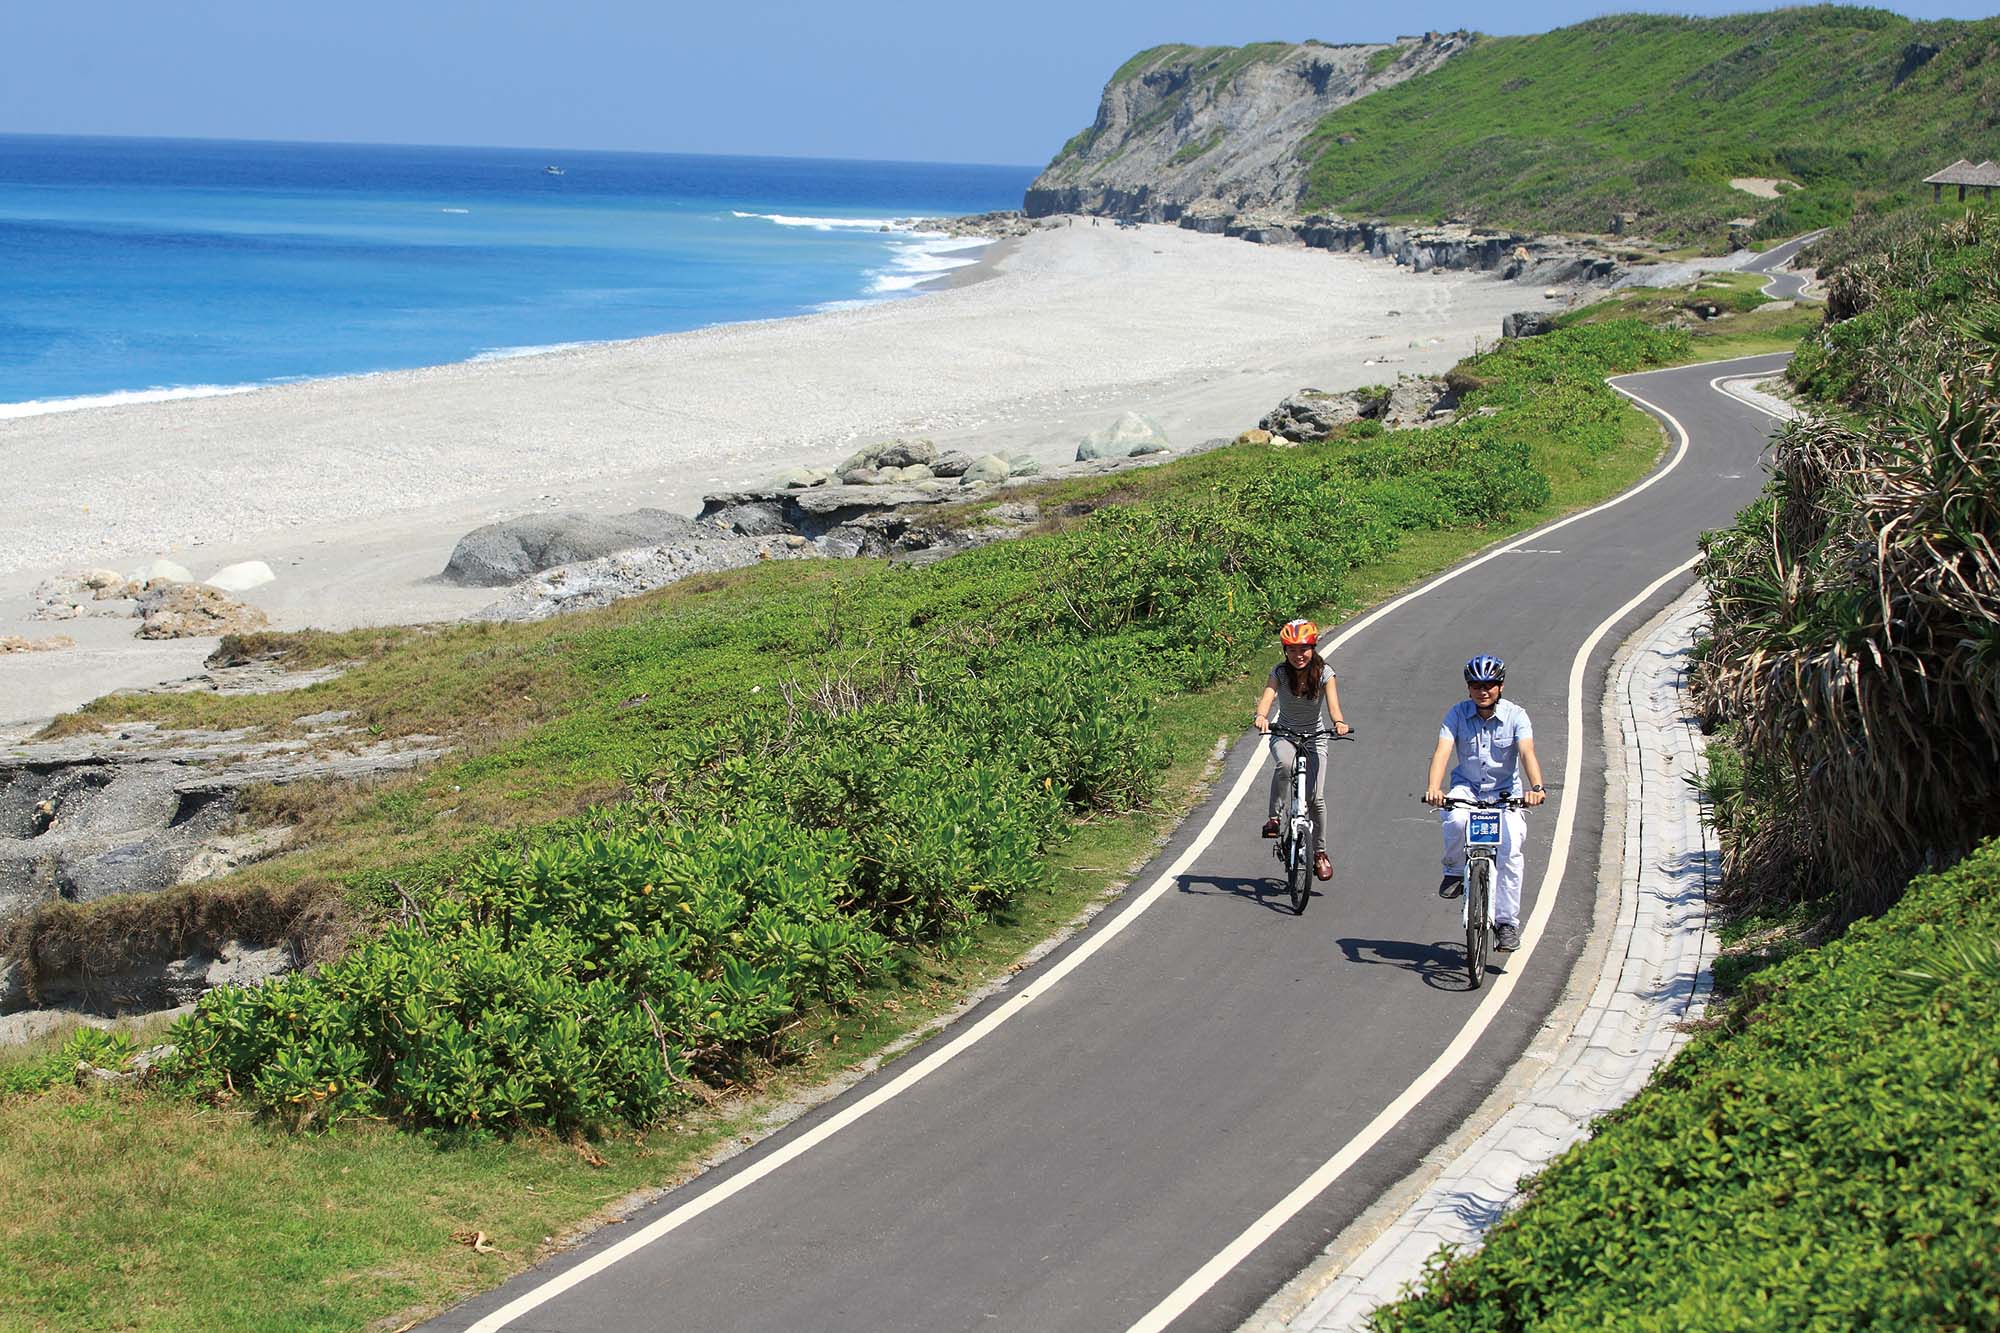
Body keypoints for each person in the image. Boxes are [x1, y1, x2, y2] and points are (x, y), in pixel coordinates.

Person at [1422, 654, 1546, 951]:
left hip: (1506, 794)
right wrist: (1433, 788)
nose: (1483, 691)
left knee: (1511, 848)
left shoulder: (1517, 715)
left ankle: (1507, 923)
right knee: (1454, 819)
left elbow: (1527, 752)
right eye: (1476, 685)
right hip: (1468, 789)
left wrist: (1536, 788)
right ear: (1469, 688)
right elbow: (1442, 751)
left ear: (1500, 686)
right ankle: (1453, 871)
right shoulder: (1456, 714)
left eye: (1490, 685)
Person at [1254, 618, 1351, 881]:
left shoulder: (1325, 673)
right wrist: (1262, 716)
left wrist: (1339, 723)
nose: (1299, 655)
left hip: (1315, 738)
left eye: (1304, 649)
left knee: (1316, 800)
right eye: (1293, 649)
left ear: (1314, 648)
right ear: (1285, 651)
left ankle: (1320, 853)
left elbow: (1333, 707)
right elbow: (1267, 697)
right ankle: (1274, 818)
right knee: (1284, 765)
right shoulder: (1280, 673)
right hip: (1284, 734)